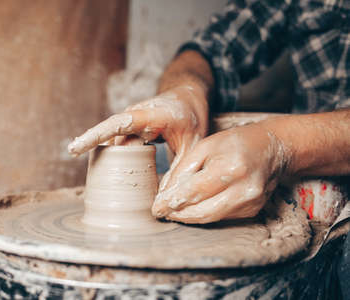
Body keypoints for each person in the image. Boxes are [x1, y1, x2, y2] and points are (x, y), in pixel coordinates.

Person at [68, 0, 350, 225]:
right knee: (167, 167)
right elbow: (213, 48)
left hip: (317, 167)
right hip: (300, 175)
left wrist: (281, 146)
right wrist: (184, 91)